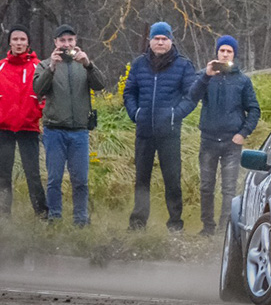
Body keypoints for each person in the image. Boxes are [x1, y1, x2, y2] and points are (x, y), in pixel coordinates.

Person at [123, 22, 197, 232]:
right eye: (156, 38)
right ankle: (138, 224)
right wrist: (135, 113)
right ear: (150, 41)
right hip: (144, 132)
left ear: (171, 41)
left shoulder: (183, 65)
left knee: (172, 180)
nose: (160, 42)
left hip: (169, 134)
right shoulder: (139, 64)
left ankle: (175, 224)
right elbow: (129, 92)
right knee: (141, 179)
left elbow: (191, 96)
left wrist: (175, 114)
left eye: (164, 39)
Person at [34, 24, 106, 226]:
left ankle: (81, 220)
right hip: (54, 130)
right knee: (54, 179)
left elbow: (100, 85)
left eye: (70, 40)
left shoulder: (83, 63)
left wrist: (88, 64)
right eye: (62, 41)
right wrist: (51, 68)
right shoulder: (45, 64)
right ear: (55, 43)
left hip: (79, 132)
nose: (67, 44)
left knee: (80, 180)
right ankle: (54, 219)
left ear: (76, 41)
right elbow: (38, 89)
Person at [189, 35, 260, 236]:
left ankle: (224, 230)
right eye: (222, 50)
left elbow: (254, 109)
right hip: (208, 140)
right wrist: (206, 76)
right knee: (206, 186)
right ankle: (207, 228)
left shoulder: (242, 81)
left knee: (229, 189)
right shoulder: (205, 76)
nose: (225, 53)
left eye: (229, 51)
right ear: (217, 52)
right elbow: (191, 96)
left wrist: (243, 133)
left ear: (234, 54)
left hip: (232, 142)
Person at [0, 25, 48, 220]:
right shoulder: (1, 66)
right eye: (15, 39)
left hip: (29, 127)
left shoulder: (39, 66)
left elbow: (45, 94)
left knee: (33, 174)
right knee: (3, 174)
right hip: (4, 128)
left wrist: (38, 111)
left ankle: (42, 215)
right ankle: (4, 216)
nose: (19, 43)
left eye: (22, 40)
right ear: (9, 42)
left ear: (28, 42)